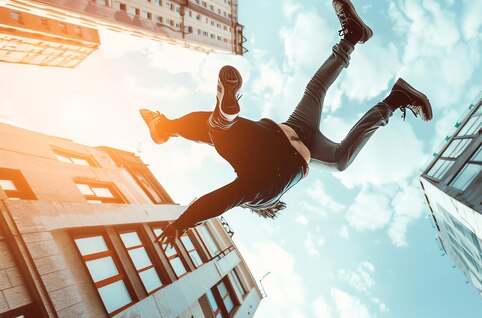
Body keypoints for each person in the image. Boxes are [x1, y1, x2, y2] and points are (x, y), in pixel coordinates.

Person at [143, 0, 433, 247]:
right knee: (232, 129)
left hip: (287, 150)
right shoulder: (257, 191)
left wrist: (184, 223)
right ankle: (351, 39)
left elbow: (224, 199)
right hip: (285, 130)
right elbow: (220, 198)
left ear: (267, 209)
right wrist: (183, 220)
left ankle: (394, 99)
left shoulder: (257, 196)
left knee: (340, 160)